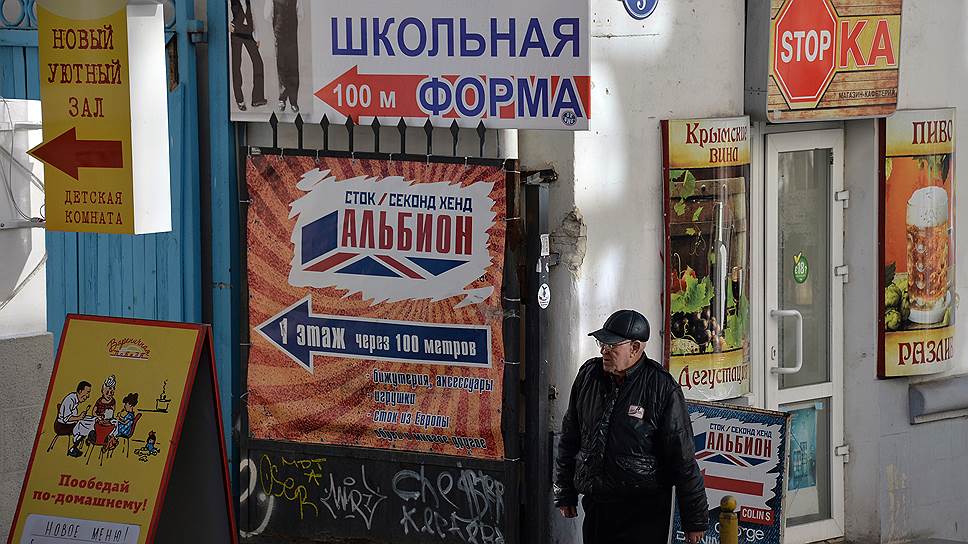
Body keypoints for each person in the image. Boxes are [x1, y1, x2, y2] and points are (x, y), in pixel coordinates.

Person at [554, 309, 708, 544]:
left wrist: (694, 520)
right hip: (598, 506)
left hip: (644, 512)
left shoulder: (661, 388)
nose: (604, 350)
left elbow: (683, 458)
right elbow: (570, 437)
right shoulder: (588, 376)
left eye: (612, 345)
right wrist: (565, 492)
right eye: (602, 343)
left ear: (635, 348)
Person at [231, 0, 267, 111]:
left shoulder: (249, 2)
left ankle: (257, 98)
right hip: (236, 34)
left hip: (248, 34)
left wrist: (257, 37)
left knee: (258, 63)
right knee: (236, 65)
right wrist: (228, 25)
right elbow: (225, 13)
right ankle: (239, 100)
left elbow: (253, 16)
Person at [267, 0, 300, 113]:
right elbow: (268, 15)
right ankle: (282, 99)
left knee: (293, 67)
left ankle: (293, 101)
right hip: (279, 35)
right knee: (281, 67)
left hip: (292, 37)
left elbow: (300, 15)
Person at [56, 381, 92, 458]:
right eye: (87, 392)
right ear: (80, 391)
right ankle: (73, 448)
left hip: (69, 424)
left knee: (89, 421)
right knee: (85, 426)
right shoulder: (70, 399)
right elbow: (66, 418)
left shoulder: (75, 400)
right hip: (62, 426)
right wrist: (79, 417)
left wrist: (81, 417)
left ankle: (76, 444)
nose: (88, 396)